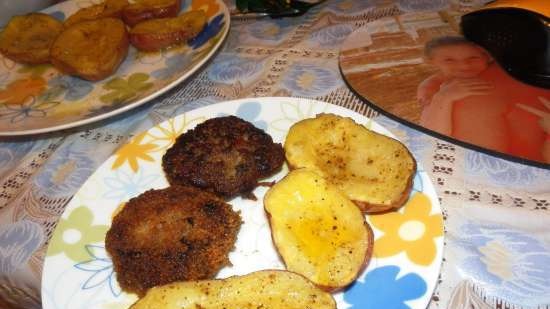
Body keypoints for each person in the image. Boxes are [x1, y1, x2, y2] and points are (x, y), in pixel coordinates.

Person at [418, 36, 550, 163]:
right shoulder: (434, 87)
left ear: (488, 57)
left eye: (473, 58)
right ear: (432, 62)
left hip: (527, 165)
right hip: (480, 168)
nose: (464, 65)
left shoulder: (523, 77)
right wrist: (443, 98)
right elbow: (432, 139)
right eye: (449, 60)